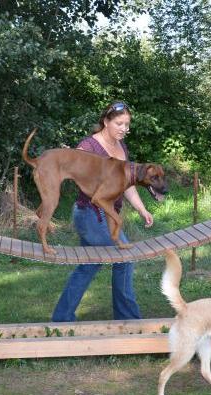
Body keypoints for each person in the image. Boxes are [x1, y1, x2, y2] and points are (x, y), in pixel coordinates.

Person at [51, 101, 154, 322]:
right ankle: (129, 319)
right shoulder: (88, 146)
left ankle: (61, 317)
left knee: (89, 265)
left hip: (107, 217)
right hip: (89, 214)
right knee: (125, 258)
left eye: (127, 124)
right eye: (119, 123)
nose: (124, 129)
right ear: (106, 122)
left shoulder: (121, 148)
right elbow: (71, 170)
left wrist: (142, 208)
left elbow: (128, 184)